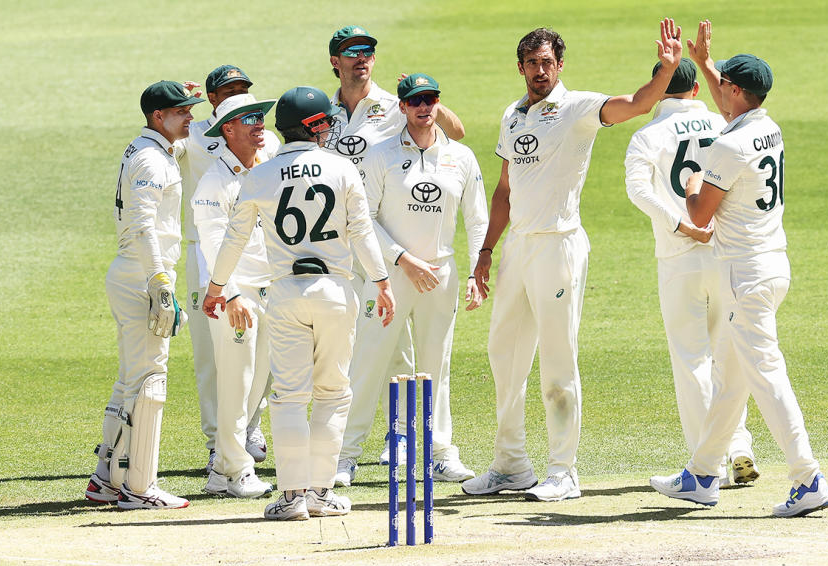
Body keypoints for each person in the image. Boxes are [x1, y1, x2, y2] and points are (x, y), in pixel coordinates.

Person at [463, 20, 684, 502]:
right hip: (518, 247)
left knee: (558, 363)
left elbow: (637, 105)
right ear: (520, 67)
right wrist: (484, 251)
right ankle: (510, 465)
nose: (540, 71)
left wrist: (667, 69)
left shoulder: (578, 107)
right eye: (531, 63)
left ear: (559, 66)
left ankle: (563, 471)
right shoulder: (512, 114)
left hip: (559, 245)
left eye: (547, 63)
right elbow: (504, 189)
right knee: (504, 356)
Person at [650, 21, 828, 517]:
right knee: (730, 381)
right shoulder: (767, 127)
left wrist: (690, 183)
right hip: (773, 266)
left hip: (744, 277)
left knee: (766, 376)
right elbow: (733, 108)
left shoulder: (728, 147)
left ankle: (808, 476)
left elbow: (699, 216)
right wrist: (709, 64)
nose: (719, 91)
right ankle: (702, 474)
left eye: (724, 84)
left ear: (735, 91)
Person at [203, 86, 395, 521]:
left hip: (285, 292)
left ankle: (292, 497)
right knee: (332, 392)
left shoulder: (262, 175)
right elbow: (362, 232)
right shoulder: (342, 168)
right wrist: (382, 282)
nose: (329, 126)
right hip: (336, 291)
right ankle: (321, 494)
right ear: (313, 126)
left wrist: (217, 288)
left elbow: (233, 240)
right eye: (324, 121)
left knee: (289, 397)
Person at [336, 74, 488, 486]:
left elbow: (477, 220)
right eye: (415, 101)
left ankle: (440, 452)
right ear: (401, 107)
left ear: (438, 103)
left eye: (430, 100)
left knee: (437, 363)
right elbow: (362, 217)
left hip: (441, 275)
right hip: (389, 277)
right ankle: (345, 456)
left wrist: (477, 269)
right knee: (368, 362)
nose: (424, 108)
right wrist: (403, 260)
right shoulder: (380, 155)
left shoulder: (462, 157)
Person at [624, 57, 758, 486]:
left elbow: (638, 189)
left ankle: (708, 464)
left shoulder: (647, 133)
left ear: (658, 86)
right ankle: (739, 445)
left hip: (679, 254)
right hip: (724, 251)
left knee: (691, 359)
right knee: (727, 355)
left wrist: (681, 223)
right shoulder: (725, 126)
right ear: (697, 91)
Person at [85, 81, 203, 509]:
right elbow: (142, 223)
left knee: (131, 381)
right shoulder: (154, 160)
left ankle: (106, 479)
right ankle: (139, 488)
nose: (190, 117)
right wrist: (159, 280)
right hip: (142, 275)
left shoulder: (148, 147)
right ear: (158, 116)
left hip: (134, 274)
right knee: (150, 381)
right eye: (182, 111)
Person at [178, 65, 279, 472]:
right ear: (213, 99)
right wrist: (179, 105)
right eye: (230, 90)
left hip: (259, 252)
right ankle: (217, 443)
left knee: (261, 356)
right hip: (206, 248)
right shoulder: (196, 136)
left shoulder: (265, 141)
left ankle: (245, 429)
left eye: (243, 89)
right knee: (214, 356)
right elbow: (164, 142)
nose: (239, 95)